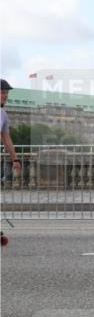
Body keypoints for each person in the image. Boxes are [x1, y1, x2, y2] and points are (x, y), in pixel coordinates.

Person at [1, 79, 20, 247]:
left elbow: (6, 138)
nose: (5, 95)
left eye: (6, 93)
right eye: (2, 92)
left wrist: (15, 159)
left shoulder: (3, 115)